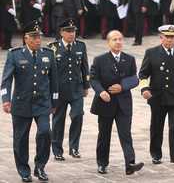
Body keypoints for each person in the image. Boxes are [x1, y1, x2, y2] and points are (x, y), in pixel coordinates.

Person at [0, 21, 58, 182]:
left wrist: (54, 103)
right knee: (20, 139)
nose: (38, 40)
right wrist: (5, 100)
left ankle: (40, 166)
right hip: (21, 104)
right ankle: (24, 170)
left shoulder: (48, 54)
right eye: (34, 37)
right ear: (26, 39)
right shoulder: (15, 54)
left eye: (39, 37)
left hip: (42, 103)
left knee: (45, 132)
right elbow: (6, 80)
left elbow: (55, 81)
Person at [139, 25, 174, 165]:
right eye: (167, 37)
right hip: (158, 96)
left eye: (172, 37)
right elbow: (143, 74)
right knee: (157, 126)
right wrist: (144, 89)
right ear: (161, 37)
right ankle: (156, 154)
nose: (170, 40)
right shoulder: (151, 53)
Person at [90, 30, 144, 175]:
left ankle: (130, 163)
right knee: (104, 135)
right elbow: (93, 79)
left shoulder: (129, 59)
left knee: (125, 134)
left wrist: (122, 86)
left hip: (123, 103)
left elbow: (135, 78)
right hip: (105, 103)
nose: (118, 42)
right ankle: (102, 163)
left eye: (120, 39)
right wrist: (101, 91)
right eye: (114, 39)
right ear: (108, 42)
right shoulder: (99, 60)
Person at [48, 18, 89, 160]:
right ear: (61, 32)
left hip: (76, 89)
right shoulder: (52, 47)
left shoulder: (80, 46)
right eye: (68, 31)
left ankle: (74, 147)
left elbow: (85, 67)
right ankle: (57, 150)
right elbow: (49, 72)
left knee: (78, 115)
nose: (71, 34)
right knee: (58, 120)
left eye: (73, 31)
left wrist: (86, 85)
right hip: (59, 91)